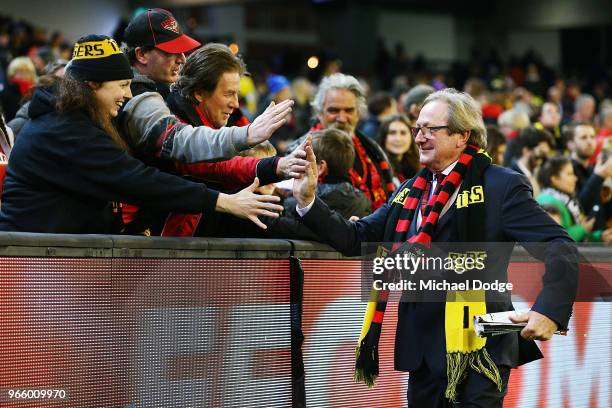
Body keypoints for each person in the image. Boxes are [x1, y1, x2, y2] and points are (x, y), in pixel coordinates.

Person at [293, 88, 576, 407]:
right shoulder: (409, 190)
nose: (419, 138)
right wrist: (307, 201)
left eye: (430, 129)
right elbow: (356, 238)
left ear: (462, 135)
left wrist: (549, 309)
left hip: (480, 348)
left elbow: (559, 244)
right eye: (418, 129)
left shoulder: (502, 186)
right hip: (423, 351)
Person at [0, 35, 283, 233]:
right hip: (34, 270)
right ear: (92, 85)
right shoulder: (63, 131)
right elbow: (137, 179)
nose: (127, 94)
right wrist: (224, 201)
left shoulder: (74, 122)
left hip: (49, 265)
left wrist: (272, 166)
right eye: (122, 84)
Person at [118, 8, 293, 166]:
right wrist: (247, 135)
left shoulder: (146, 87)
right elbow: (178, 141)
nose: (182, 59)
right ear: (141, 54)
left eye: (182, 51)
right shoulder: (135, 93)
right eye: (171, 52)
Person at [287, 73, 394, 210]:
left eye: (349, 110)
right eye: (334, 110)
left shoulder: (374, 150)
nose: (342, 118)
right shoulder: (296, 153)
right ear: (319, 112)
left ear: (358, 113)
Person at [537, 155, 611, 243]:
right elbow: (555, 240)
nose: (575, 178)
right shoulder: (547, 201)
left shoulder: (566, 199)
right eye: (570, 174)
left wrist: (600, 236)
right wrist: (582, 229)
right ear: (555, 179)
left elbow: (579, 236)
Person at [509, 126, 555, 197]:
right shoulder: (512, 177)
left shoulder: (540, 173)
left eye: (545, 155)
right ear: (526, 151)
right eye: (540, 153)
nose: (542, 160)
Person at [377, 114, 420, 184]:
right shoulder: (378, 168)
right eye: (392, 133)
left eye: (403, 133)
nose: (398, 139)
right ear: (384, 138)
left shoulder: (417, 164)